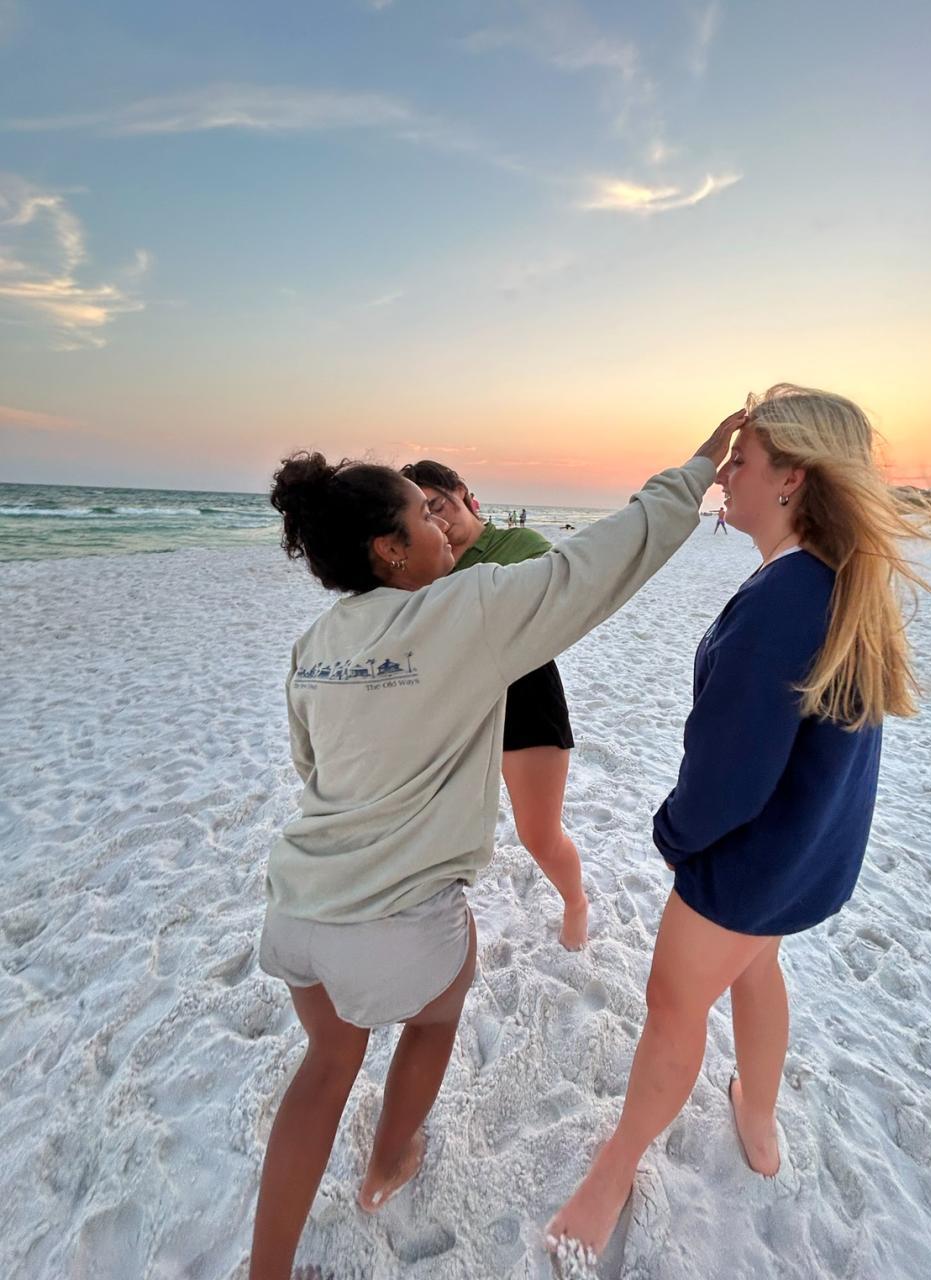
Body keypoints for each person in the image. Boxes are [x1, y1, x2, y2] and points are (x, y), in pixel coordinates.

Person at [248, 411, 744, 1280]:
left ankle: (266, 1271)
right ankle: (389, 1160)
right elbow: (601, 561)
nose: (440, 527)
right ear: (388, 552)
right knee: (437, 1010)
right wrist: (700, 465)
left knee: (326, 1065)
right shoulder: (464, 611)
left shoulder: (314, 644)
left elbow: (310, 766)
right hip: (396, 923)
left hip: (295, 909)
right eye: (422, 516)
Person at [547, 384, 931, 1268]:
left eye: (741, 460)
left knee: (672, 1005)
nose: (723, 475)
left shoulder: (786, 597)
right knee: (757, 964)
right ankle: (756, 1116)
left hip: (748, 859)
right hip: (809, 848)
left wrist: (672, 834)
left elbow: (728, 776)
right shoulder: (836, 580)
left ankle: (615, 1168)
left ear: (790, 478)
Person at [400, 459, 583, 948]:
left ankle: (575, 902)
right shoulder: (421, 564)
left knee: (538, 834)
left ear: (462, 492)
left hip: (525, 696)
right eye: (424, 515)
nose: (438, 523)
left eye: (439, 506)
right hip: (452, 706)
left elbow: (560, 606)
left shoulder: (520, 545)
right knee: (437, 830)